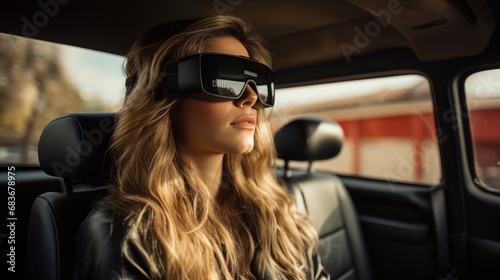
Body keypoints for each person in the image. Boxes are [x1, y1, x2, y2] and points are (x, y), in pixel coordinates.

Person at [73, 15, 330, 280]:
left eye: (257, 83)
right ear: (163, 96)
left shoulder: (277, 210)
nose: (251, 98)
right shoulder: (127, 235)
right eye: (225, 80)